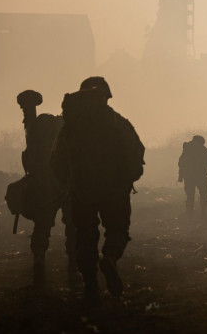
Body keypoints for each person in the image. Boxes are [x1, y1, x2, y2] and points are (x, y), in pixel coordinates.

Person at [51, 77, 144, 298]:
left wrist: (68, 183)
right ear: (106, 96)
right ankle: (110, 258)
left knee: (84, 236)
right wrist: (128, 179)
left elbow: (56, 160)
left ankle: (90, 285)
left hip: (81, 191)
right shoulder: (117, 122)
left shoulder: (70, 127)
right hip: (115, 190)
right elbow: (135, 153)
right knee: (117, 229)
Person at [15, 90, 76, 290]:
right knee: (72, 227)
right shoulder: (67, 129)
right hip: (65, 185)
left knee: (42, 227)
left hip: (45, 186)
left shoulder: (34, 128)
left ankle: (39, 261)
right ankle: (73, 267)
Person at [178, 135, 207, 220]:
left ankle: (190, 214)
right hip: (200, 176)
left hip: (189, 177)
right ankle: (203, 213)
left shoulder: (187, 150)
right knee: (203, 195)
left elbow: (181, 163)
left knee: (190, 196)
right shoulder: (203, 149)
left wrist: (181, 176)